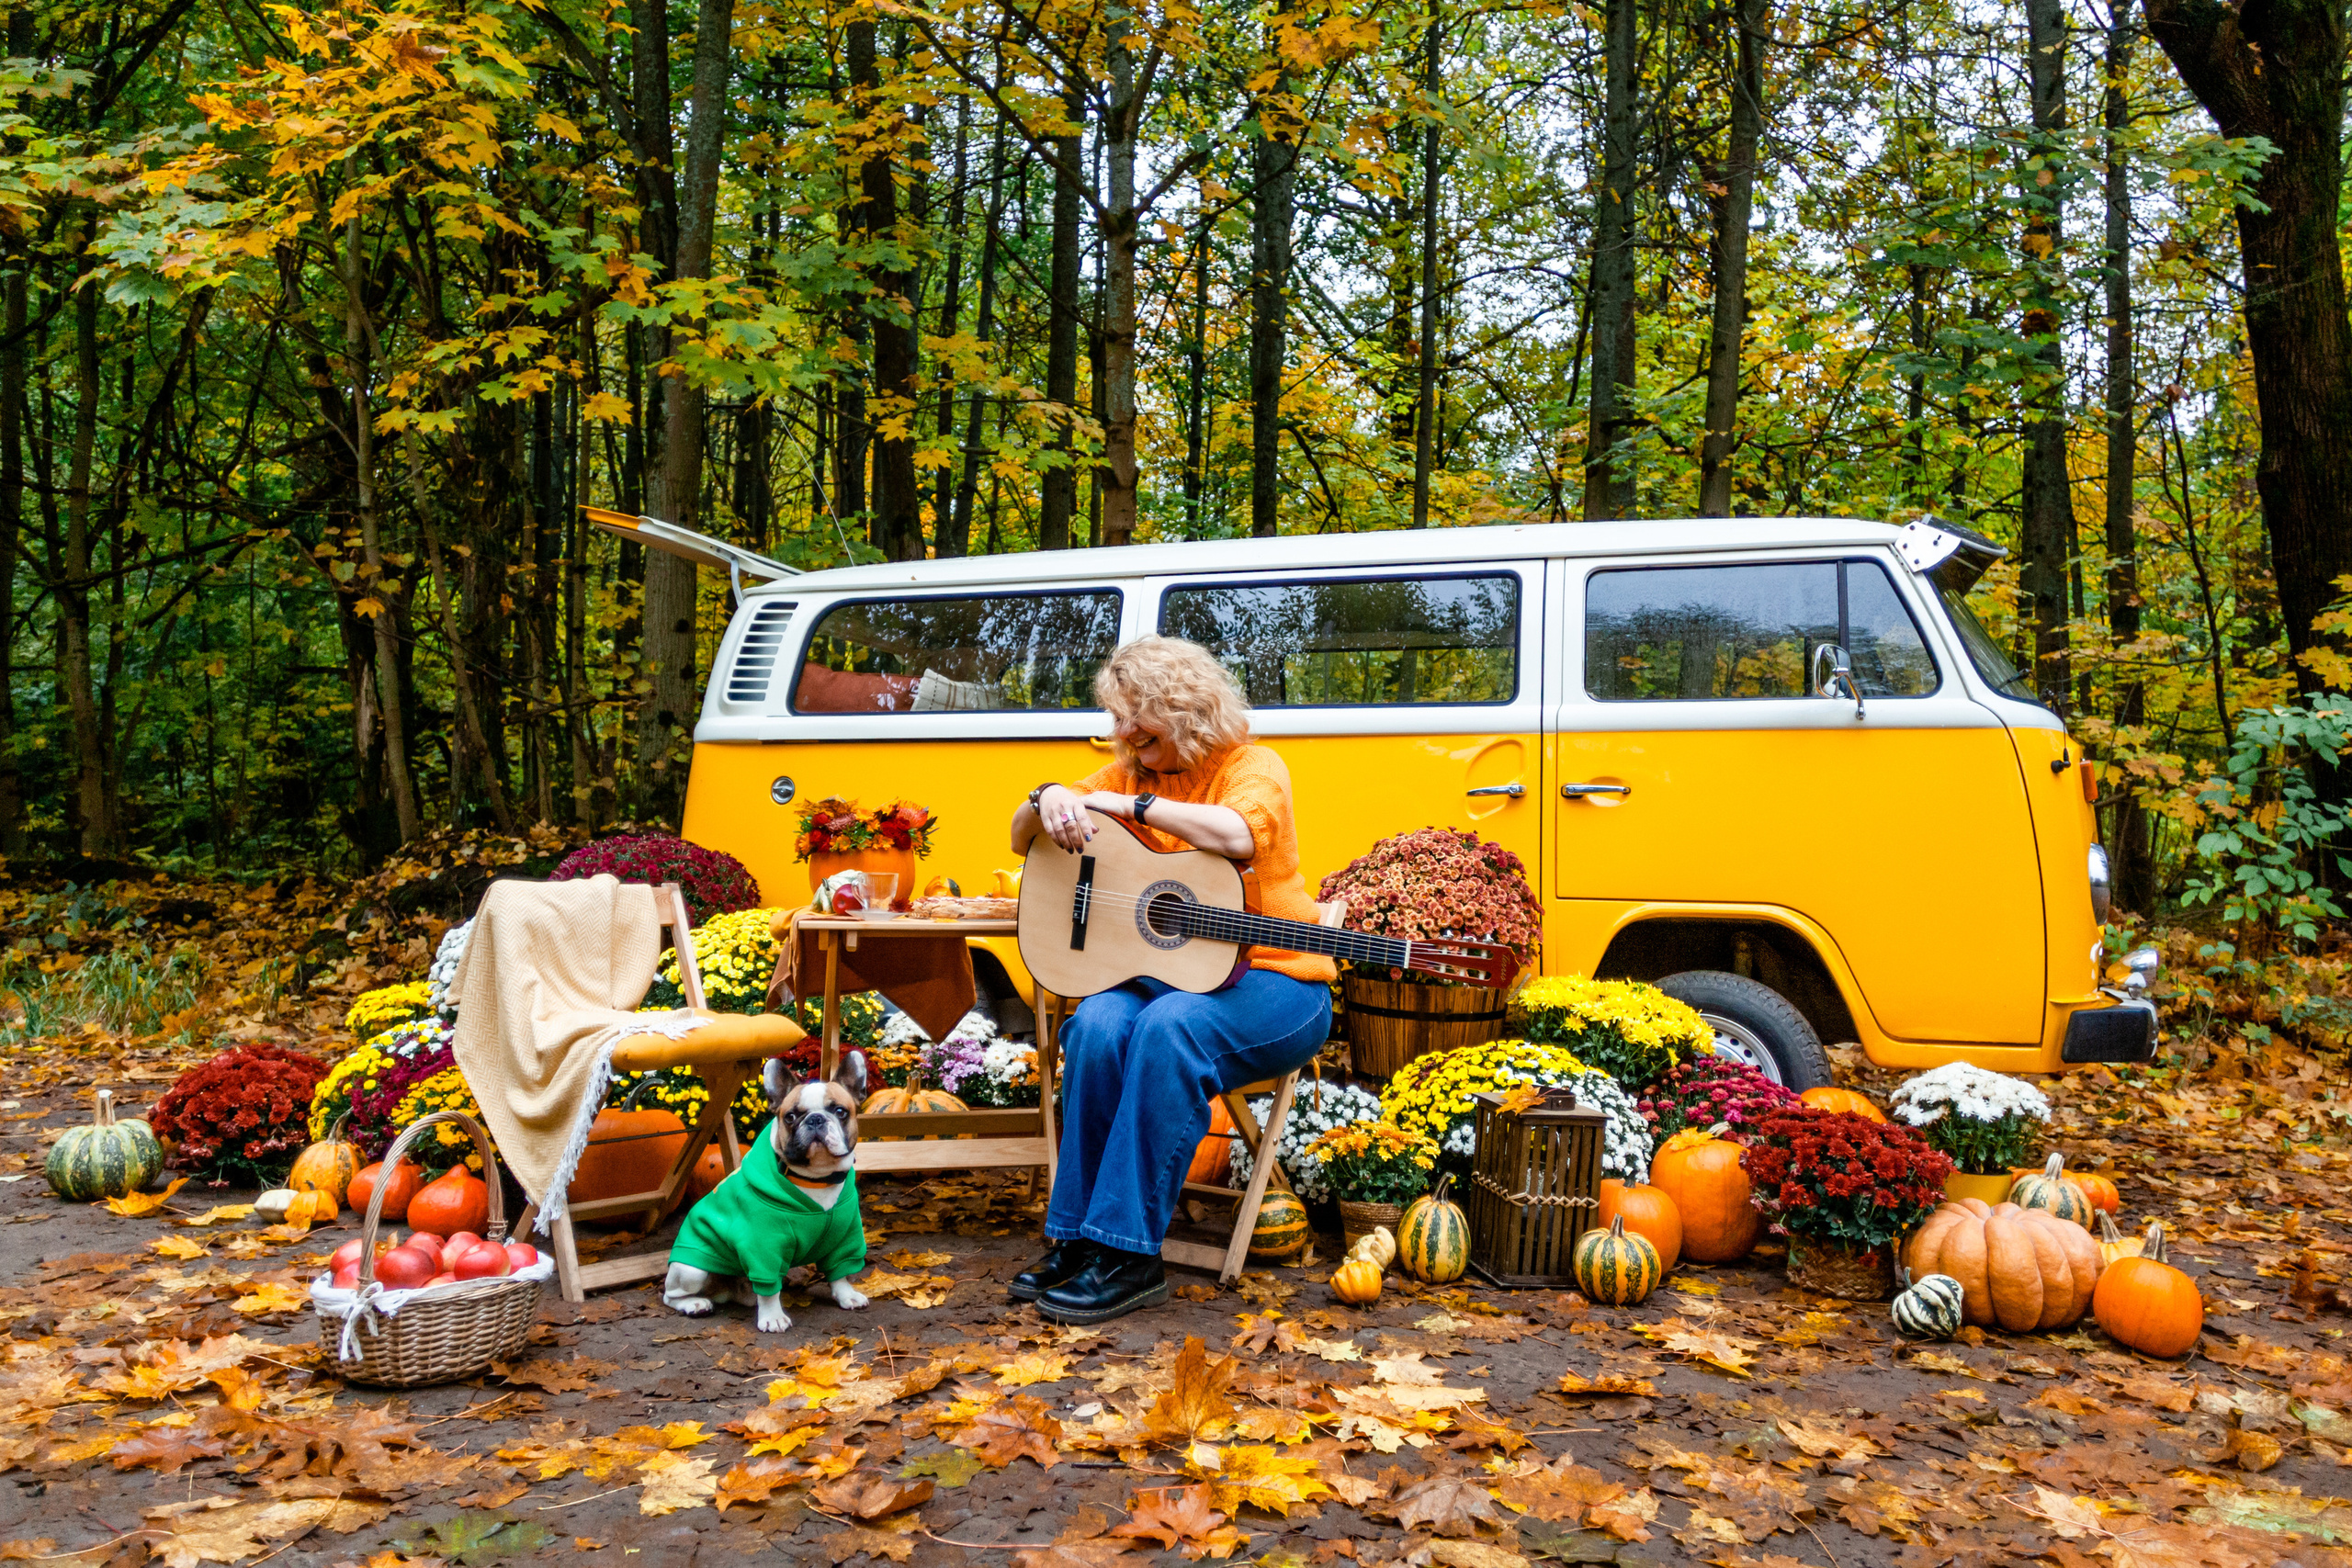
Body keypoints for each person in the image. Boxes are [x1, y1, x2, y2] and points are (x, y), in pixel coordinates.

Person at [1005, 636, 1336, 1324]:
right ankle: (1077, 1239)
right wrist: (1049, 797)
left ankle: (1128, 1255)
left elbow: (1239, 834)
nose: (1123, 731)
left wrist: (1132, 809)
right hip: (1174, 978)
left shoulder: (1252, 765)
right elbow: (1019, 836)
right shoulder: (1126, 771)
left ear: (1185, 708)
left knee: (1167, 1029)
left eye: (1138, 715)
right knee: (1097, 1023)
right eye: (1117, 716)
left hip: (1280, 983)